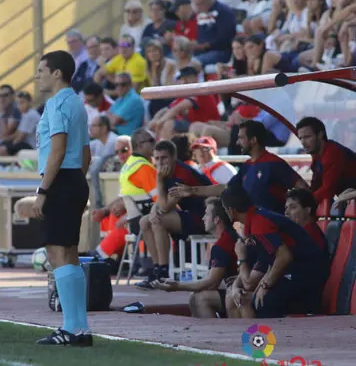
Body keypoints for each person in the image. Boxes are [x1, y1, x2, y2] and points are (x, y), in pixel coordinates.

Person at [29, 50, 92, 346]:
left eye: (42, 69)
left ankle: (70, 327)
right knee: (70, 253)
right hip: (75, 179)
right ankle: (80, 328)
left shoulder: (56, 103)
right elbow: (86, 152)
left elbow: (57, 149)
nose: (37, 74)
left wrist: (44, 191)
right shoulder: (78, 102)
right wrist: (76, 180)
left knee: (57, 253)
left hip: (61, 180)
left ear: (57, 73)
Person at [220, 185, 329, 318]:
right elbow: (269, 263)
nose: (287, 212)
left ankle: (259, 337)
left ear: (230, 211)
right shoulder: (257, 219)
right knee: (244, 297)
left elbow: (284, 256)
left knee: (254, 301)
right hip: (299, 275)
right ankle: (251, 337)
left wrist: (265, 285)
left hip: (309, 283)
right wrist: (261, 284)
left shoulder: (260, 223)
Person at [170, 120, 308, 214]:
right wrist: (192, 191)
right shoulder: (247, 166)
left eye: (241, 138)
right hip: (254, 229)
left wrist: (294, 213)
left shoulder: (274, 163)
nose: (237, 142)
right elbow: (225, 187)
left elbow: (302, 187)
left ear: (253, 140)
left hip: (274, 229)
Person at [136, 140, 213, 289]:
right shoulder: (167, 172)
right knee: (144, 222)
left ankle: (163, 272)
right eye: (156, 158)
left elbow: (165, 207)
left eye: (164, 158)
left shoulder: (182, 173)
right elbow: (161, 203)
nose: (160, 162)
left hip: (206, 217)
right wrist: (153, 210)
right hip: (190, 214)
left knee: (159, 220)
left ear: (173, 157)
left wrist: (158, 180)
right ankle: (156, 269)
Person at [152, 197, 239, 318]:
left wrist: (177, 286)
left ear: (216, 220)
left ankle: (215, 334)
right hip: (237, 289)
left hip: (242, 293)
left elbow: (211, 283)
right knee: (196, 295)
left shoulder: (224, 244)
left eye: (206, 214)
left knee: (199, 299)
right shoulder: (230, 237)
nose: (203, 218)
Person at [296, 116, 356, 204]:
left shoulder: (333, 153)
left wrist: (304, 203)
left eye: (307, 137)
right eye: (300, 138)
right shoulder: (318, 156)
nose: (303, 142)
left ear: (320, 135)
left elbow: (327, 190)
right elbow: (316, 186)